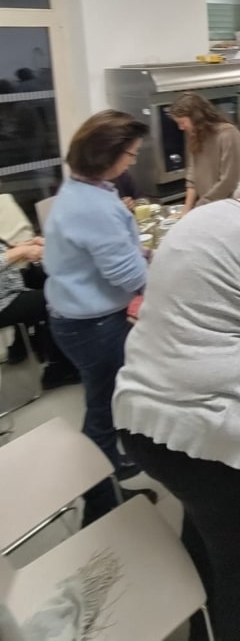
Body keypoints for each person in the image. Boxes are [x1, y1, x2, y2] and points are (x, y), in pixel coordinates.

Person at [113, 151, 240, 641]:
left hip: (138, 414)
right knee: (239, 571)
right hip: (205, 434)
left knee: (202, 517)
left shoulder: (198, 218)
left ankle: (197, 624)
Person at [43, 110, 153, 524]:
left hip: (75, 316)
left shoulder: (83, 188)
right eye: (130, 154)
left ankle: (111, 465)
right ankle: (101, 505)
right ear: (107, 155)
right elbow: (128, 276)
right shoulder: (94, 206)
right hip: (93, 326)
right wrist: (168, 288)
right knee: (103, 412)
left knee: (103, 401)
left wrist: (143, 253)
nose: (132, 161)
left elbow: (108, 250)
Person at [0, 232, 79, 389]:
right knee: (54, 298)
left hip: (8, 289)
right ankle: (58, 369)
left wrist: (22, 247)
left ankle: (25, 347)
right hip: (4, 300)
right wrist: (21, 251)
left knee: (46, 275)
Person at [168, 93, 240, 216]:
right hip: (209, 207)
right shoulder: (195, 135)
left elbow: (229, 180)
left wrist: (201, 206)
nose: (181, 128)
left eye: (182, 122)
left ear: (196, 118)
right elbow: (192, 175)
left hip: (232, 208)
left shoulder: (228, 135)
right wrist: (187, 209)